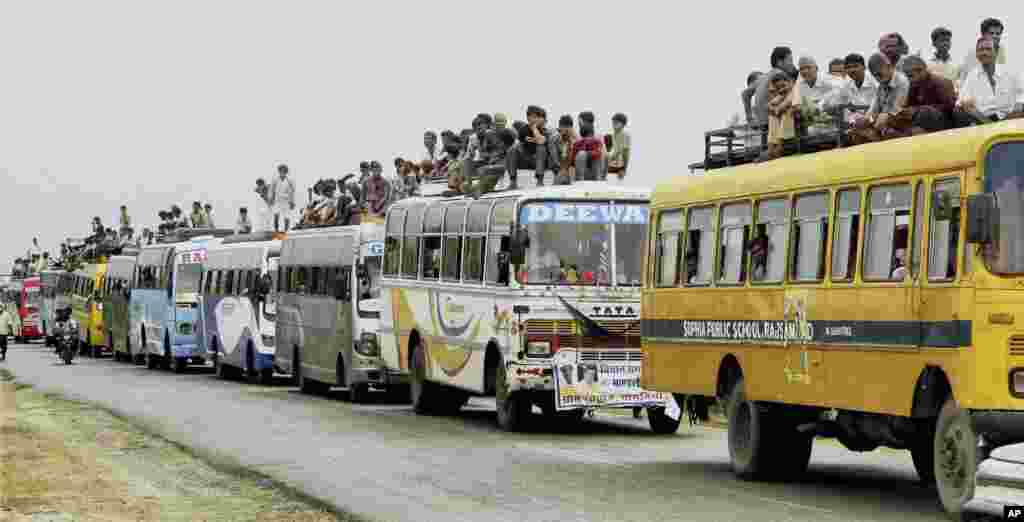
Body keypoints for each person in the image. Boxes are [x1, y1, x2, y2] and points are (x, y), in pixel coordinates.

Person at [955, 37, 1024, 125]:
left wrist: (1018, 108)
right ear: (977, 54)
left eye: (988, 49)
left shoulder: (1011, 71)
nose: (984, 53)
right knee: (958, 112)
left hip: (1012, 118)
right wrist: (982, 119)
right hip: (984, 122)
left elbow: (1021, 96)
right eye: (981, 50)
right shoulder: (972, 76)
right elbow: (961, 102)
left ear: (995, 52)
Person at [848, 53, 910, 146]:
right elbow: (873, 110)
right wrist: (864, 120)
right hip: (885, 122)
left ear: (888, 67)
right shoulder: (882, 86)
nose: (878, 78)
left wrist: (872, 120)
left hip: (903, 122)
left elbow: (894, 110)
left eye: (879, 74)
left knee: (882, 125)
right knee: (855, 131)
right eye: (875, 75)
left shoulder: (902, 81)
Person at [506, 105, 559, 189]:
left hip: (545, 161)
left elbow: (541, 141)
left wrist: (534, 129)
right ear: (528, 118)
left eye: (536, 117)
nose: (534, 119)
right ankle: (513, 181)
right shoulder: (524, 129)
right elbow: (523, 141)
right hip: (528, 158)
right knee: (513, 149)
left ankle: (540, 181)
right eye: (532, 117)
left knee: (540, 148)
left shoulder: (546, 130)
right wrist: (534, 138)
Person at [824, 54, 878, 124]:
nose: (852, 70)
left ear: (864, 67)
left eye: (855, 66)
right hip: (859, 123)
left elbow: (880, 105)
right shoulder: (846, 84)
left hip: (878, 121)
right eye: (848, 67)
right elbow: (832, 100)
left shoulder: (875, 81)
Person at [961, 18, 1008, 85]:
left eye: (998, 34)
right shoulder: (972, 53)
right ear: (983, 35)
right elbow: (964, 78)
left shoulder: (1003, 52)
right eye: (991, 33)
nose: (995, 36)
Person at [766, 71, 797, 159]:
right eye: (778, 88)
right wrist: (774, 109)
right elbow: (769, 105)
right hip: (790, 120)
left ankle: (780, 146)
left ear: (791, 82)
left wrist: (776, 109)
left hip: (799, 118)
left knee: (786, 112)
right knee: (772, 116)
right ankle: (771, 147)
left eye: (783, 86)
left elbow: (785, 105)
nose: (781, 89)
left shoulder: (795, 91)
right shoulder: (783, 93)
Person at [269, 164, 296, 232]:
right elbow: (272, 190)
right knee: (276, 215)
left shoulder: (289, 180)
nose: (282, 172)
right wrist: (271, 199)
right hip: (277, 200)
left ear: (286, 172)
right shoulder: (275, 180)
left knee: (287, 216)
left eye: (284, 171)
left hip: (286, 201)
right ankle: (276, 230)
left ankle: (286, 230)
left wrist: (292, 202)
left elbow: (292, 192)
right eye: (281, 171)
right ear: (279, 171)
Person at [607, 113, 631, 181]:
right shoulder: (614, 134)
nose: (614, 124)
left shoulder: (625, 135)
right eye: (613, 122)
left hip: (619, 166)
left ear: (623, 124)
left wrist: (624, 169)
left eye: (617, 122)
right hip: (613, 163)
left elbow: (625, 153)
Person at [556, 115, 577, 183]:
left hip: (571, 164)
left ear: (571, 128)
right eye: (562, 126)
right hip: (560, 163)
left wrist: (573, 138)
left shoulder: (574, 137)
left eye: (567, 127)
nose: (564, 129)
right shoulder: (556, 136)